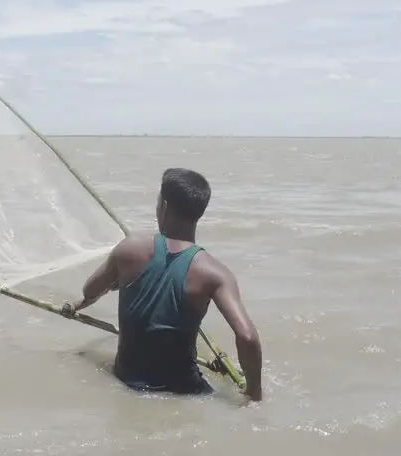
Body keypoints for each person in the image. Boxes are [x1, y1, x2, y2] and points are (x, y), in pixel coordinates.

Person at [62, 167, 263, 402]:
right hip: (185, 392)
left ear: (164, 207)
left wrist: (109, 285)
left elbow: (90, 291)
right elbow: (247, 337)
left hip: (127, 382)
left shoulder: (129, 249)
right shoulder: (215, 273)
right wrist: (254, 392)